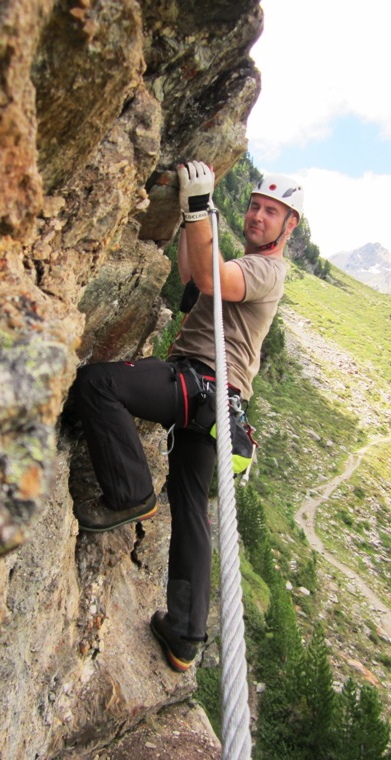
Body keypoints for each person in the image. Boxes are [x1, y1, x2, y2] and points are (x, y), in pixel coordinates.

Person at [74, 161, 303, 672]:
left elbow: (208, 275)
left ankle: (131, 494)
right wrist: (189, 217)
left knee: (98, 384)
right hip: (218, 406)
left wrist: (201, 208)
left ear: (290, 227)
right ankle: (184, 636)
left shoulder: (266, 271)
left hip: (201, 383)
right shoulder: (247, 263)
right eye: (256, 206)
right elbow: (190, 276)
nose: (259, 216)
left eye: (272, 212)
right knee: (191, 509)